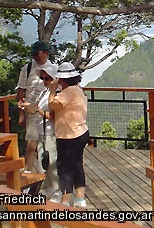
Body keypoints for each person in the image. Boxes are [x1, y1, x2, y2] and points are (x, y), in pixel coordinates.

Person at [48, 62, 89, 207]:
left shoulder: (68, 92)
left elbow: (53, 104)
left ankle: (64, 203)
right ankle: (80, 200)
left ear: (63, 80)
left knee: (65, 169)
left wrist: (52, 90)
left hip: (68, 136)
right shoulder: (78, 89)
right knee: (77, 165)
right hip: (81, 132)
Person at [20, 64, 60, 199]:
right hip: (41, 131)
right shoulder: (45, 92)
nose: (44, 81)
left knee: (52, 162)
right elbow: (35, 108)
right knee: (45, 162)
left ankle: (57, 191)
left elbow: (53, 116)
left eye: (47, 78)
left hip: (51, 131)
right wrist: (25, 107)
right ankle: (50, 187)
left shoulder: (57, 94)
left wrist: (36, 110)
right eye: (43, 78)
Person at [16, 40, 53, 172]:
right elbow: (20, 90)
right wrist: (22, 114)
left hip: (47, 110)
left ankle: (46, 174)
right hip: (31, 110)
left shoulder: (53, 69)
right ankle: (28, 172)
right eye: (33, 54)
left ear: (46, 53)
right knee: (31, 144)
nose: (34, 57)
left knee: (46, 144)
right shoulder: (27, 68)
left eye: (37, 54)